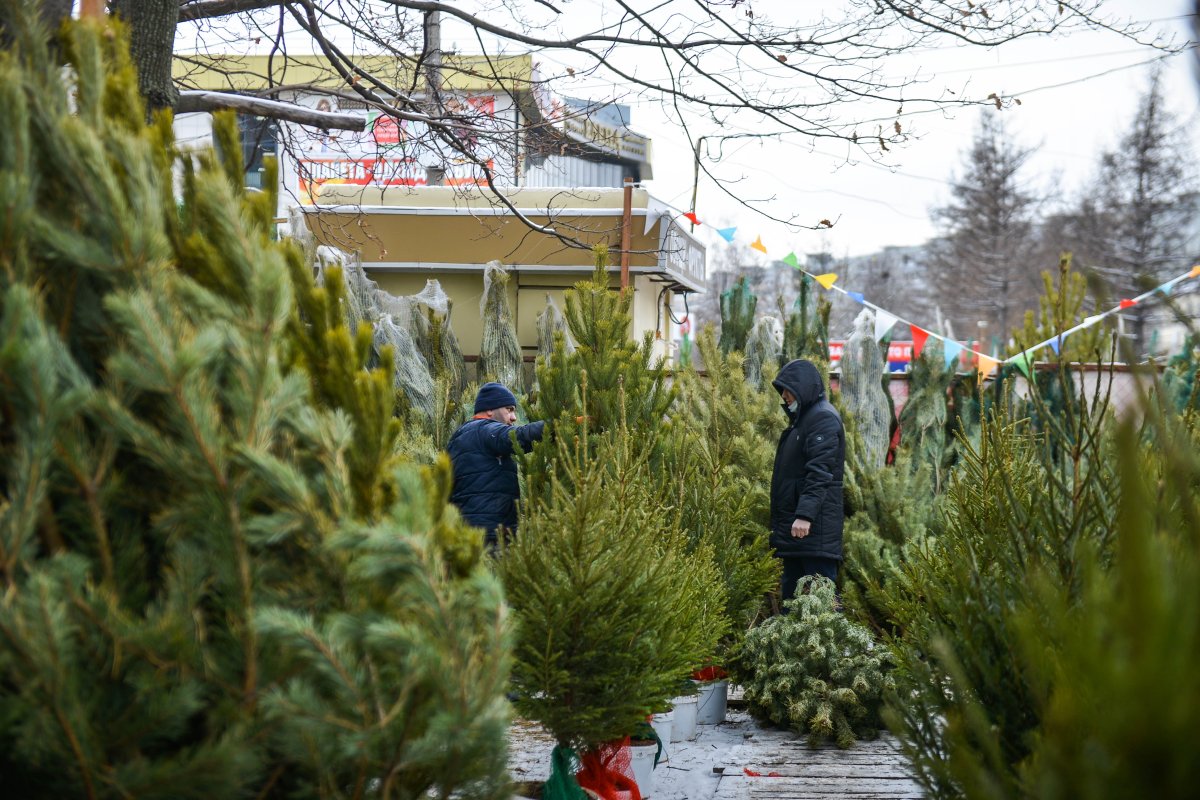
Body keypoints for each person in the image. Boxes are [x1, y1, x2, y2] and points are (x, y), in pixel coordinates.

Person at [769, 359, 846, 604]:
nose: (784, 395)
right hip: (799, 535)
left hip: (813, 533)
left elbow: (820, 472)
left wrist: (805, 515)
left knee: (820, 606)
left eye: (787, 389)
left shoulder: (822, 418)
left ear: (802, 387)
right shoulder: (803, 421)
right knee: (792, 606)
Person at [447, 381, 546, 550]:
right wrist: (559, 425)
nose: (514, 417)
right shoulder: (485, 430)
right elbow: (519, 437)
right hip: (491, 535)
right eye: (509, 409)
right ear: (490, 409)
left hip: (466, 532)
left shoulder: (459, 437)